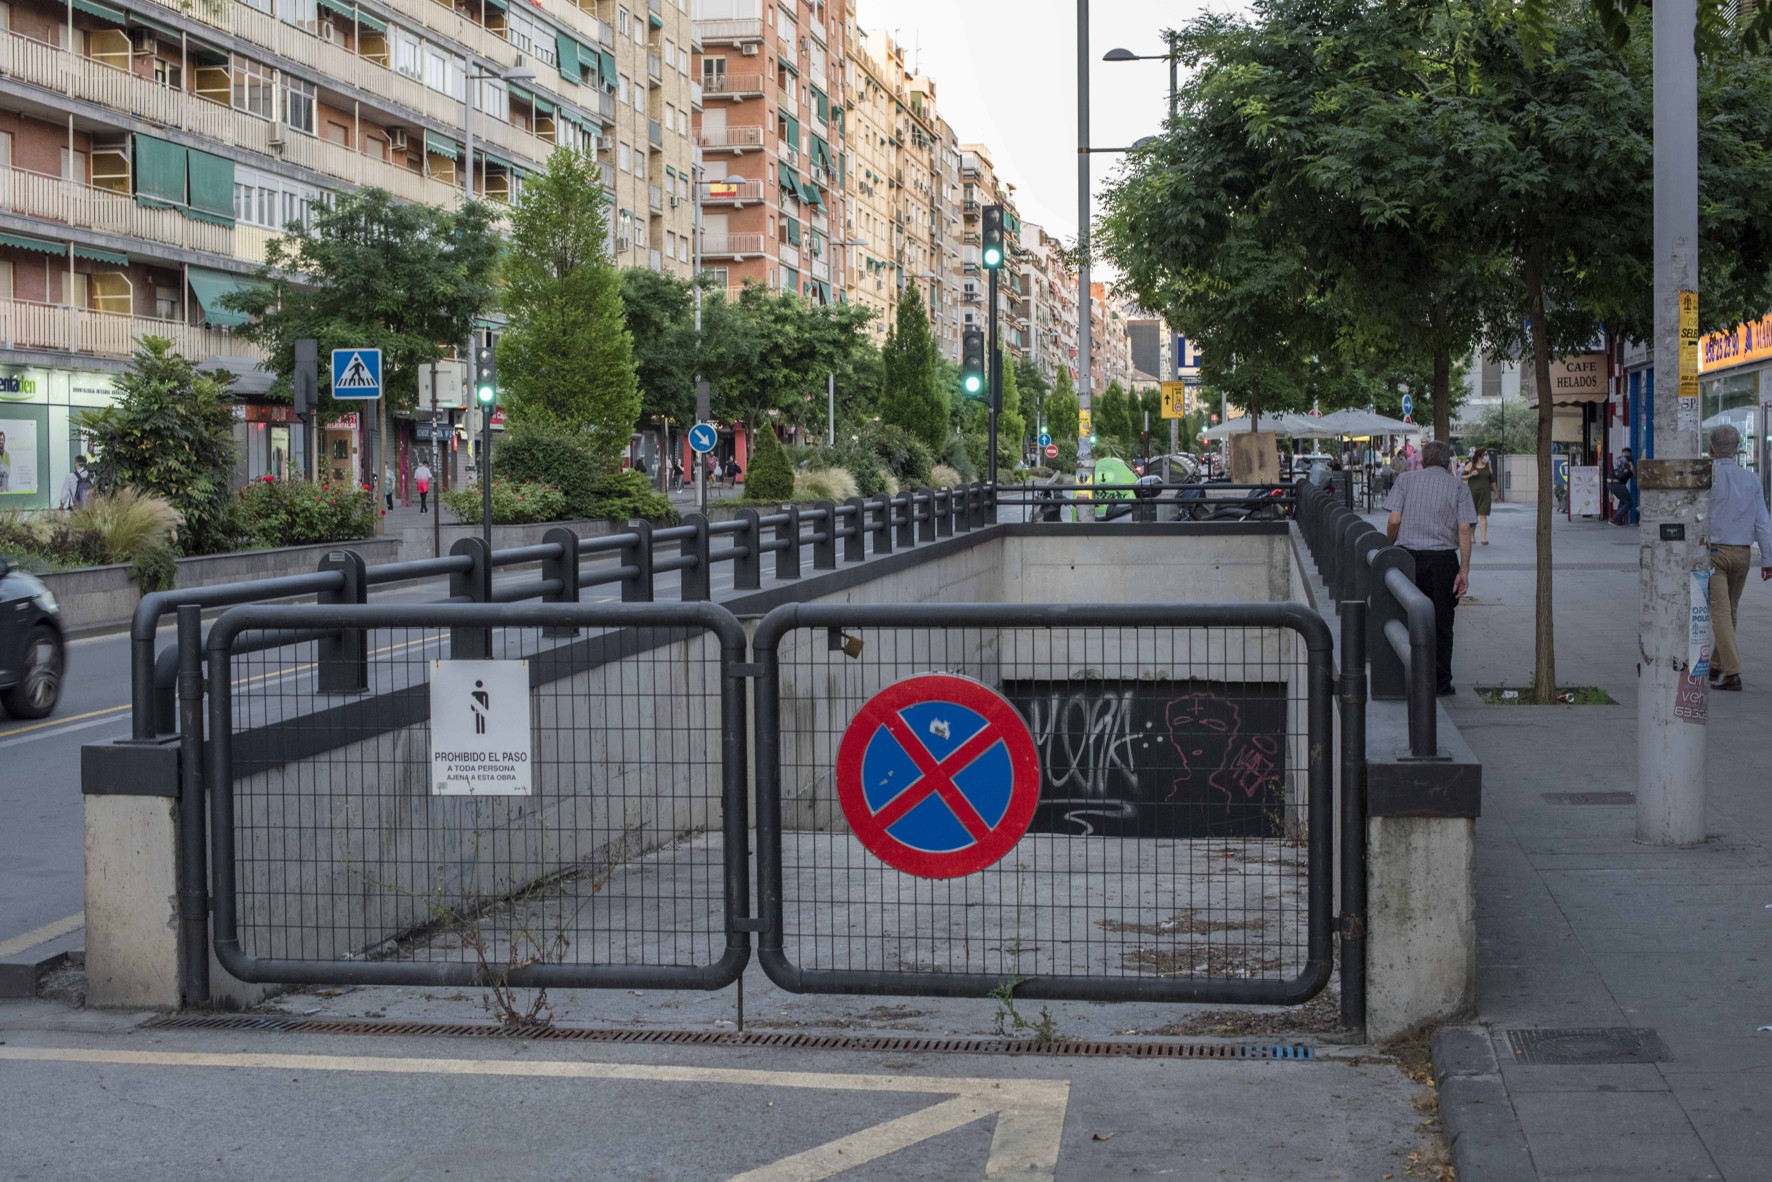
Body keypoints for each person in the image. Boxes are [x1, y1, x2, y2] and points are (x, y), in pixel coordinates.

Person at [1386, 439, 1478, 696]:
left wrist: (1389, 544)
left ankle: (1407, 676)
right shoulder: (1459, 488)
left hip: (1407, 558)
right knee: (1442, 622)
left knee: (1405, 616)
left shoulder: (1405, 481)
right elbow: (1464, 528)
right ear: (1449, 461)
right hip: (1442, 560)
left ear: (1422, 460)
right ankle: (1440, 683)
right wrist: (1464, 570)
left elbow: (1394, 520)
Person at [1704, 424, 1772, 692]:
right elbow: (1763, 523)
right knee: (1730, 610)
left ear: (1711, 450)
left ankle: (1732, 673)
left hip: (1715, 554)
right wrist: (1767, 560)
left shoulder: (1707, 477)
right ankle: (1716, 665)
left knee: (1720, 611)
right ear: (1738, 449)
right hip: (1743, 554)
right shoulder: (1752, 479)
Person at [1462, 447, 1495, 544]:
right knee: (1473, 516)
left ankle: (1484, 538)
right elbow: (1463, 477)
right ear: (1479, 456)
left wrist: (1496, 492)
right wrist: (1471, 475)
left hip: (1485, 494)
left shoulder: (1487, 465)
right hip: (1472, 494)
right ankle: (1472, 536)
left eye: (1487, 454)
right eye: (1485, 454)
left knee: (1483, 516)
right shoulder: (1471, 465)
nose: (1487, 456)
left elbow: (1492, 479)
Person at [1607, 448, 1637, 526]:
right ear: (1629, 453)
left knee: (1623, 501)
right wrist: (1636, 477)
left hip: (1611, 484)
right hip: (1618, 485)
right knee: (1629, 503)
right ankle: (1614, 519)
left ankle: (1618, 521)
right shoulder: (1629, 459)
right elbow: (1632, 469)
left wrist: (1610, 493)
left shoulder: (1617, 460)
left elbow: (1611, 474)